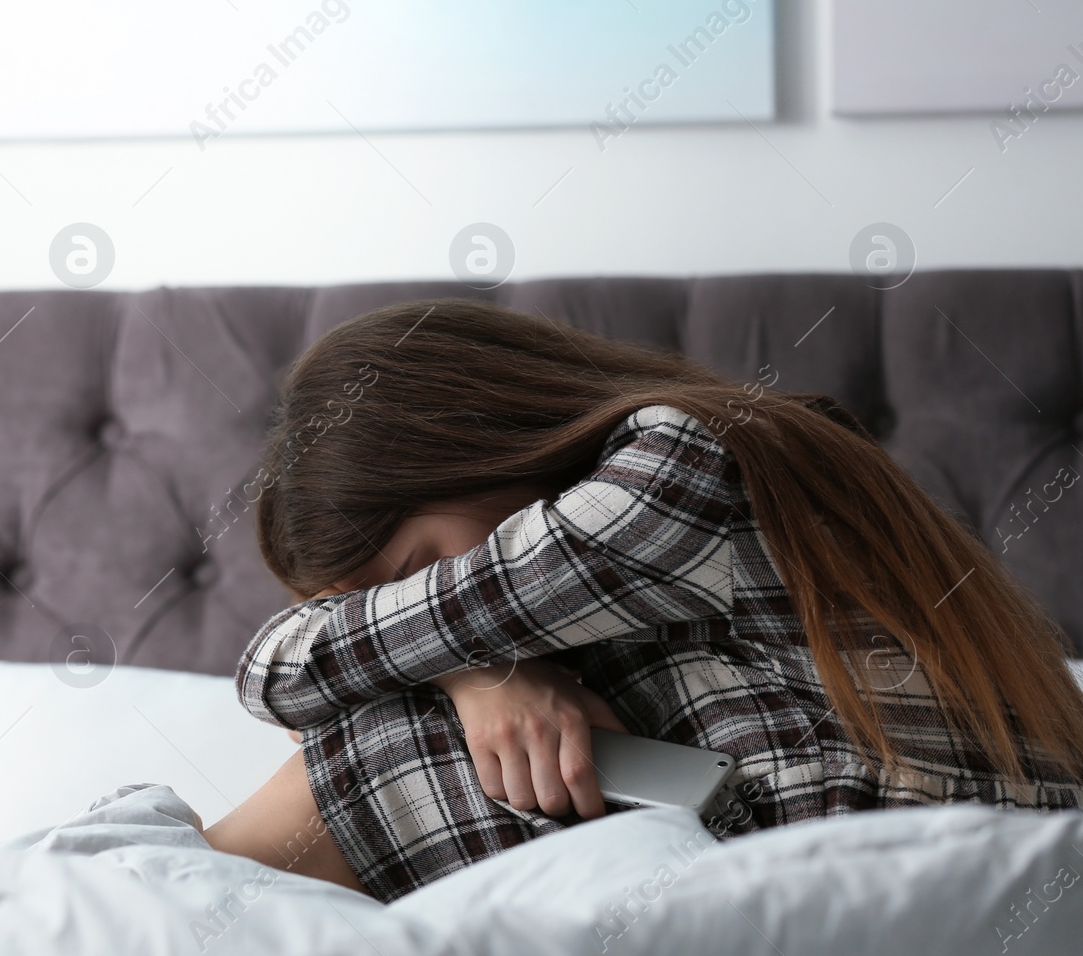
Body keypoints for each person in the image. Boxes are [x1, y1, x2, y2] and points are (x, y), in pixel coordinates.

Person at [201, 298, 1083, 902]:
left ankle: (150, 893)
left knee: (384, 725)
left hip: (939, 856)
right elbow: (297, 657)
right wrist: (481, 674)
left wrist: (455, 665)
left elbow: (278, 671)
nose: (414, 612)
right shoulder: (657, 553)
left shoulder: (684, 465)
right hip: (870, 838)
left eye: (414, 571)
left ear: (469, 446)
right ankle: (153, 889)